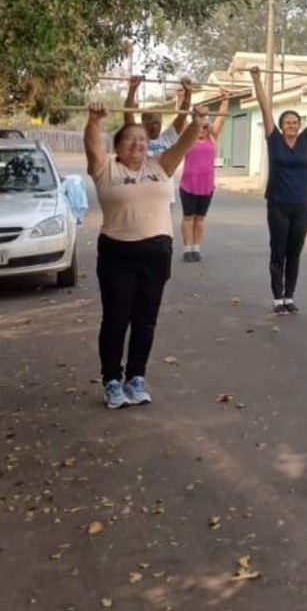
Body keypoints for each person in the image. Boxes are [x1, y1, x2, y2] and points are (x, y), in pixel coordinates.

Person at [84, 101, 207, 409]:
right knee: (116, 318)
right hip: (117, 253)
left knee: (145, 320)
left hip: (156, 252)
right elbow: (92, 147)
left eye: (142, 139)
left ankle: (136, 377)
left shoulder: (159, 164)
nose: (138, 143)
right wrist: (95, 121)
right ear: (118, 146)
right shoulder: (105, 168)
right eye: (130, 139)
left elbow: (183, 144)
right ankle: (112, 380)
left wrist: (197, 121)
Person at [251, 67, 307, 315]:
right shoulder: (274, 139)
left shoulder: (306, 139)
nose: (292, 125)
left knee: (295, 251)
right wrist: (256, 79)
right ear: (280, 126)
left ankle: (289, 296)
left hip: (302, 204)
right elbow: (265, 106)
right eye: (288, 122)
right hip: (278, 203)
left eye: (295, 122)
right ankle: (277, 297)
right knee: (278, 250)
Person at [125, 74, 193, 204]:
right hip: (142, 198)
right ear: (143, 123)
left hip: (165, 200)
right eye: (151, 121)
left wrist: (188, 93)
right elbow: (128, 113)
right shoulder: (137, 140)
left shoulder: (167, 137)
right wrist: (132, 90)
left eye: (157, 122)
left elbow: (183, 115)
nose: (155, 125)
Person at [179, 88, 229, 262]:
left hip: (206, 186)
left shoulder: (212, 137)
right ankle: (187, 249)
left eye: (205, 126)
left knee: (200, 218)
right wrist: (182, 97)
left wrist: (225, 100)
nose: (203, 129)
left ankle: (196, 248)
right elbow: (181, 116)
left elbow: (221, 118)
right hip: (188, 185)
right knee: (188, 217)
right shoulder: (188, 136)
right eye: (200, 125)